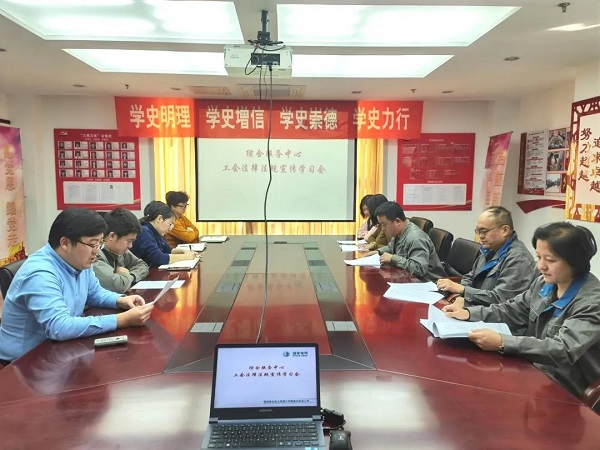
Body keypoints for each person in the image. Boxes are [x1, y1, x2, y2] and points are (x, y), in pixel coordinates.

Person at [443, 222, 600, 398]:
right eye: (538, 257)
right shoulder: (544, 283)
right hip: (532, 368)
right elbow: (513, 309)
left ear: (575, 261)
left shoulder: (592, 302)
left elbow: (563, 349)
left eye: (550, 260)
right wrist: (470, 313)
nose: (540, 266)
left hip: (565, 388)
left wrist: (503, 342)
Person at [0, 208, 154, 364]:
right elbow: (59, 327)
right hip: (23, 363)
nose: (96, 252)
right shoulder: (40, 273)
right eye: (93, 245)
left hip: (59, 350)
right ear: (65, 243)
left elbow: (94, 293)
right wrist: (122, 320)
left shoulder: (78, 261)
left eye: (100, 244)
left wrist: (120, 300)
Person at [436, 206, 537, 306]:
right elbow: (470, 277)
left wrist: (463, 291)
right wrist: (459, 296)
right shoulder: (490, 249)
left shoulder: (519, 259)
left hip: (493, 313)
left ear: (505, 230)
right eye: (478, 231)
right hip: (477, 306)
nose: (480, 236)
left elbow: (501, 300)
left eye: (484, 231)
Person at [366, 201, 446, 282]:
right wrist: (378, 252)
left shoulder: (416, 238)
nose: (383, 229)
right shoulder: (398, 232)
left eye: (384, 225)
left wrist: (393, 258)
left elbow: (419, 269)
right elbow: (390, 247)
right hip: (408, 278)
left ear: (397, 221)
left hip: (428, 282)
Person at [93, 207, 149, 294]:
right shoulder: (94, 255)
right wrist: (124, 275)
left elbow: (142, 265)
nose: (130, 246)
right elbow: (119, 285)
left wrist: (131, 276)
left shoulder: (119, 250)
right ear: (112, 236)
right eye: (129, 241)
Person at [130, 200, 196, 267]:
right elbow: (159, 259)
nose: (171, 228)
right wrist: (186, 257)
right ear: (159, 219)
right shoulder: (144, 231)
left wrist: (183, 251)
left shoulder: (157, 232)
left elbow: (167, 250)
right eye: (170, 224)